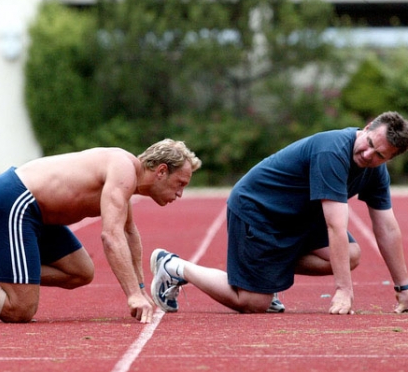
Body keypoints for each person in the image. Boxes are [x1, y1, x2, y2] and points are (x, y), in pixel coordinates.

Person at [0, 139, 201, 323]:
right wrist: (132, 295)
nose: (180, 193)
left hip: (38, 215)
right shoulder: (124, 170)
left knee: (80, 272)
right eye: (180, 184)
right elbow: (110, 236)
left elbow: (129, 233)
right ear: (161, 171)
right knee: (20, 309)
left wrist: (140, 288)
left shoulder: (128, 175)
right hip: (13, 201)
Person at [151, 111, 408, 315]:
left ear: (389, 159)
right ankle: (174, 266)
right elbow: (335, 227)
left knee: (350, 255)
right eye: (369, 143)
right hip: (259, 212)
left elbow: (387, 228)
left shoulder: (376, 172)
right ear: (366, 128)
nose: (367, 154)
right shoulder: (333, 151)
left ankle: (264, 276)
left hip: (298, 220)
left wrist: (403, 288)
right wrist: (343, 290)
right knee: (253, 303)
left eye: (379, 155)